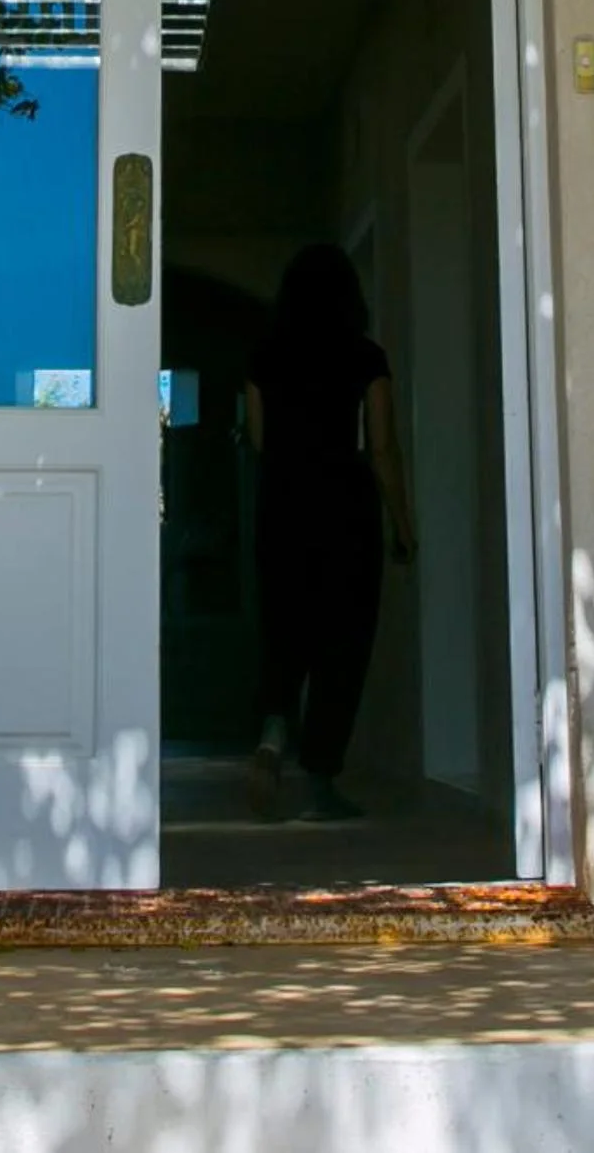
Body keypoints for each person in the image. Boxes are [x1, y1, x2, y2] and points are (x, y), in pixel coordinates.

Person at [241, 241, 417, 823]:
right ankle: (321, 779)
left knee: (284, 625)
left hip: (283, 504)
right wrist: (403, 523)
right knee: (344, 641)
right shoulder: (366, 357)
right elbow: (384, 446)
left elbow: (261, 441)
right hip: (346, 507)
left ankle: (272, 733)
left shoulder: (265, 356)